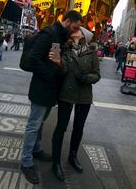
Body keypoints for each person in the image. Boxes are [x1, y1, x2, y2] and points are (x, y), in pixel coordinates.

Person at [21, 10, 82, 184]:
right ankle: (26, 162)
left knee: (39, 123)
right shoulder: (49, 33)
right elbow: (35, 59)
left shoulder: (60, 36)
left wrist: (57, 68)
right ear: (68, 21)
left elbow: (55, 61)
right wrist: (52, 74)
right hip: (41, 89)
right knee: (33, 125)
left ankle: (37, 149)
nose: (75, 30)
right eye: (75, 27)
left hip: (50, 90)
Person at [51, 27, 100, 181]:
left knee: (78, 128)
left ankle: (73, 156)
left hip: (84, 96)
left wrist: (85, 78)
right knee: (61, 128)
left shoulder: (91, 52)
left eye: (78, 29)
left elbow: (97, 75)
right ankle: (56, 163)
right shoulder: (64, 48)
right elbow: (60, 71)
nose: (75, 30)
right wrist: (59, 64)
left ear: (85, 35)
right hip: (66, 94)